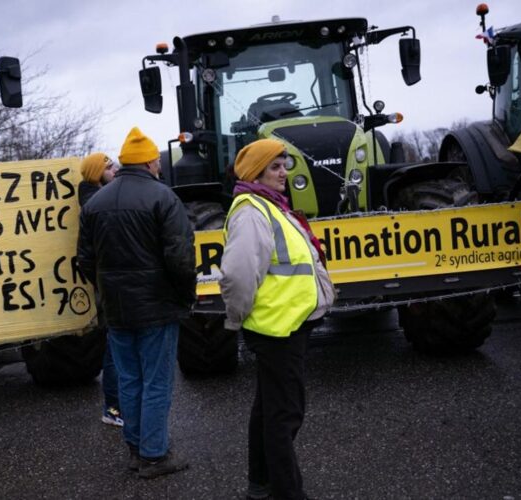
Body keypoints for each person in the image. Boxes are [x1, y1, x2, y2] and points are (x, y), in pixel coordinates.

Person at [77, 127, 196, 479]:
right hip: (157, 307)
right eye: (156, 161)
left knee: (129, 380)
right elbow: (180, 257)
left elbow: (84, 259)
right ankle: (155, 456)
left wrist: (104, 290)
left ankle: (136, 449)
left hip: (116, 309)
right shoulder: (163, 197)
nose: (159, 166)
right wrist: (185, 295)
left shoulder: (95, 203)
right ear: (148, 162)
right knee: (157, 381)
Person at [220, 138, 333, 500]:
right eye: (275, 167)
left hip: (284, 325)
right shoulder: (252, 211)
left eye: (285, 165)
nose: (284, 172)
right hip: (277, 329)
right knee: (285, 415)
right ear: (256, 172)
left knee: (268, 410)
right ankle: (288, 492)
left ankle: (261, 484)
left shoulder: (269, 206)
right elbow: (237, 276)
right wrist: (237, 318)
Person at [78, 152, 123, 427]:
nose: (115, 170)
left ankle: (116, 407)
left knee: (116, 346)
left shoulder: (93, 199)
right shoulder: (95, 204)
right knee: (115, 349)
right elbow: (87, 255)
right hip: (108, 285)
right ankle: (114, 409)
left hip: (106, 283)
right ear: (97, 172)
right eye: (109, 167)